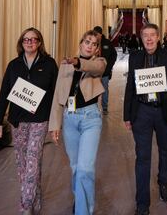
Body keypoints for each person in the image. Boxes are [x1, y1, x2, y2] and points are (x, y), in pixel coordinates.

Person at [123, 24, 167, 215]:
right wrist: (127, 116)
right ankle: (142, 204)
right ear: (141, 38)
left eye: (153, 35)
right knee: (142, 157)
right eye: (145, 35)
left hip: (164, 111)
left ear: (158, 37)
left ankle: (163, 183)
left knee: (164, 150)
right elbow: (130, 86)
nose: (149, 39)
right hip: (142, 112)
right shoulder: (135, 57)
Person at [0, 27, 58, 215]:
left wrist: (55, 124)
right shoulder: (14, 65)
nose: (30, 43)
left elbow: (55, 95)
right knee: (23, 164)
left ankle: (25, 207)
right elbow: (4, 93)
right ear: (21, 43)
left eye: (33, 39)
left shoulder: (49, 64)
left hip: (40, 120)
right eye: (26, 40)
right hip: (17, 121)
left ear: (39, 42)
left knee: (33, 161)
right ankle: (35, 202)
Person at [49, 30, 106, 215]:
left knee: (85, 168)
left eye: (94, 43)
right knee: (75, 167)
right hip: (69, 118)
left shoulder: (99, 62)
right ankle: (80, 198)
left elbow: (95, 69)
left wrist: (78, 62)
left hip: (91, 119)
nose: (90, 45)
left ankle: (83, 211)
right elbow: (59, 94)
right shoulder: (65, 66)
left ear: (97, 48)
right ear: (80, 43)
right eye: (87, 41)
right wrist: (55, 125)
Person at [93, 26, 117, 115]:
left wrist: (109, 67)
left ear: (100, 34)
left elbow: (114, 55)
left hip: (105, 72)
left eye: (97, 34)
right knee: (94, 90)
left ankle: (105, 107)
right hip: (94, 72)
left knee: (105, 89)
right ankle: (94, 107)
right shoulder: (92, 43)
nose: (95, 36)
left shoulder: (107, 43)